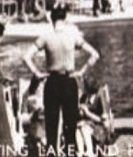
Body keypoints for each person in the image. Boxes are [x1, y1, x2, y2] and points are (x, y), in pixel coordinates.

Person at [23, 8, 101, 155]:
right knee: (70, 125)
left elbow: (26, 57)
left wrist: (37, 73)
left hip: (52, 82)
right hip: (69, 81)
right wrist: (82, 71)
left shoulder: (46, 37)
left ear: (51, 20)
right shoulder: (72, 36)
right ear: (65, 20)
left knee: (51, 126)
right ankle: (70, 153)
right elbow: (95, 54)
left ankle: (52, 153)